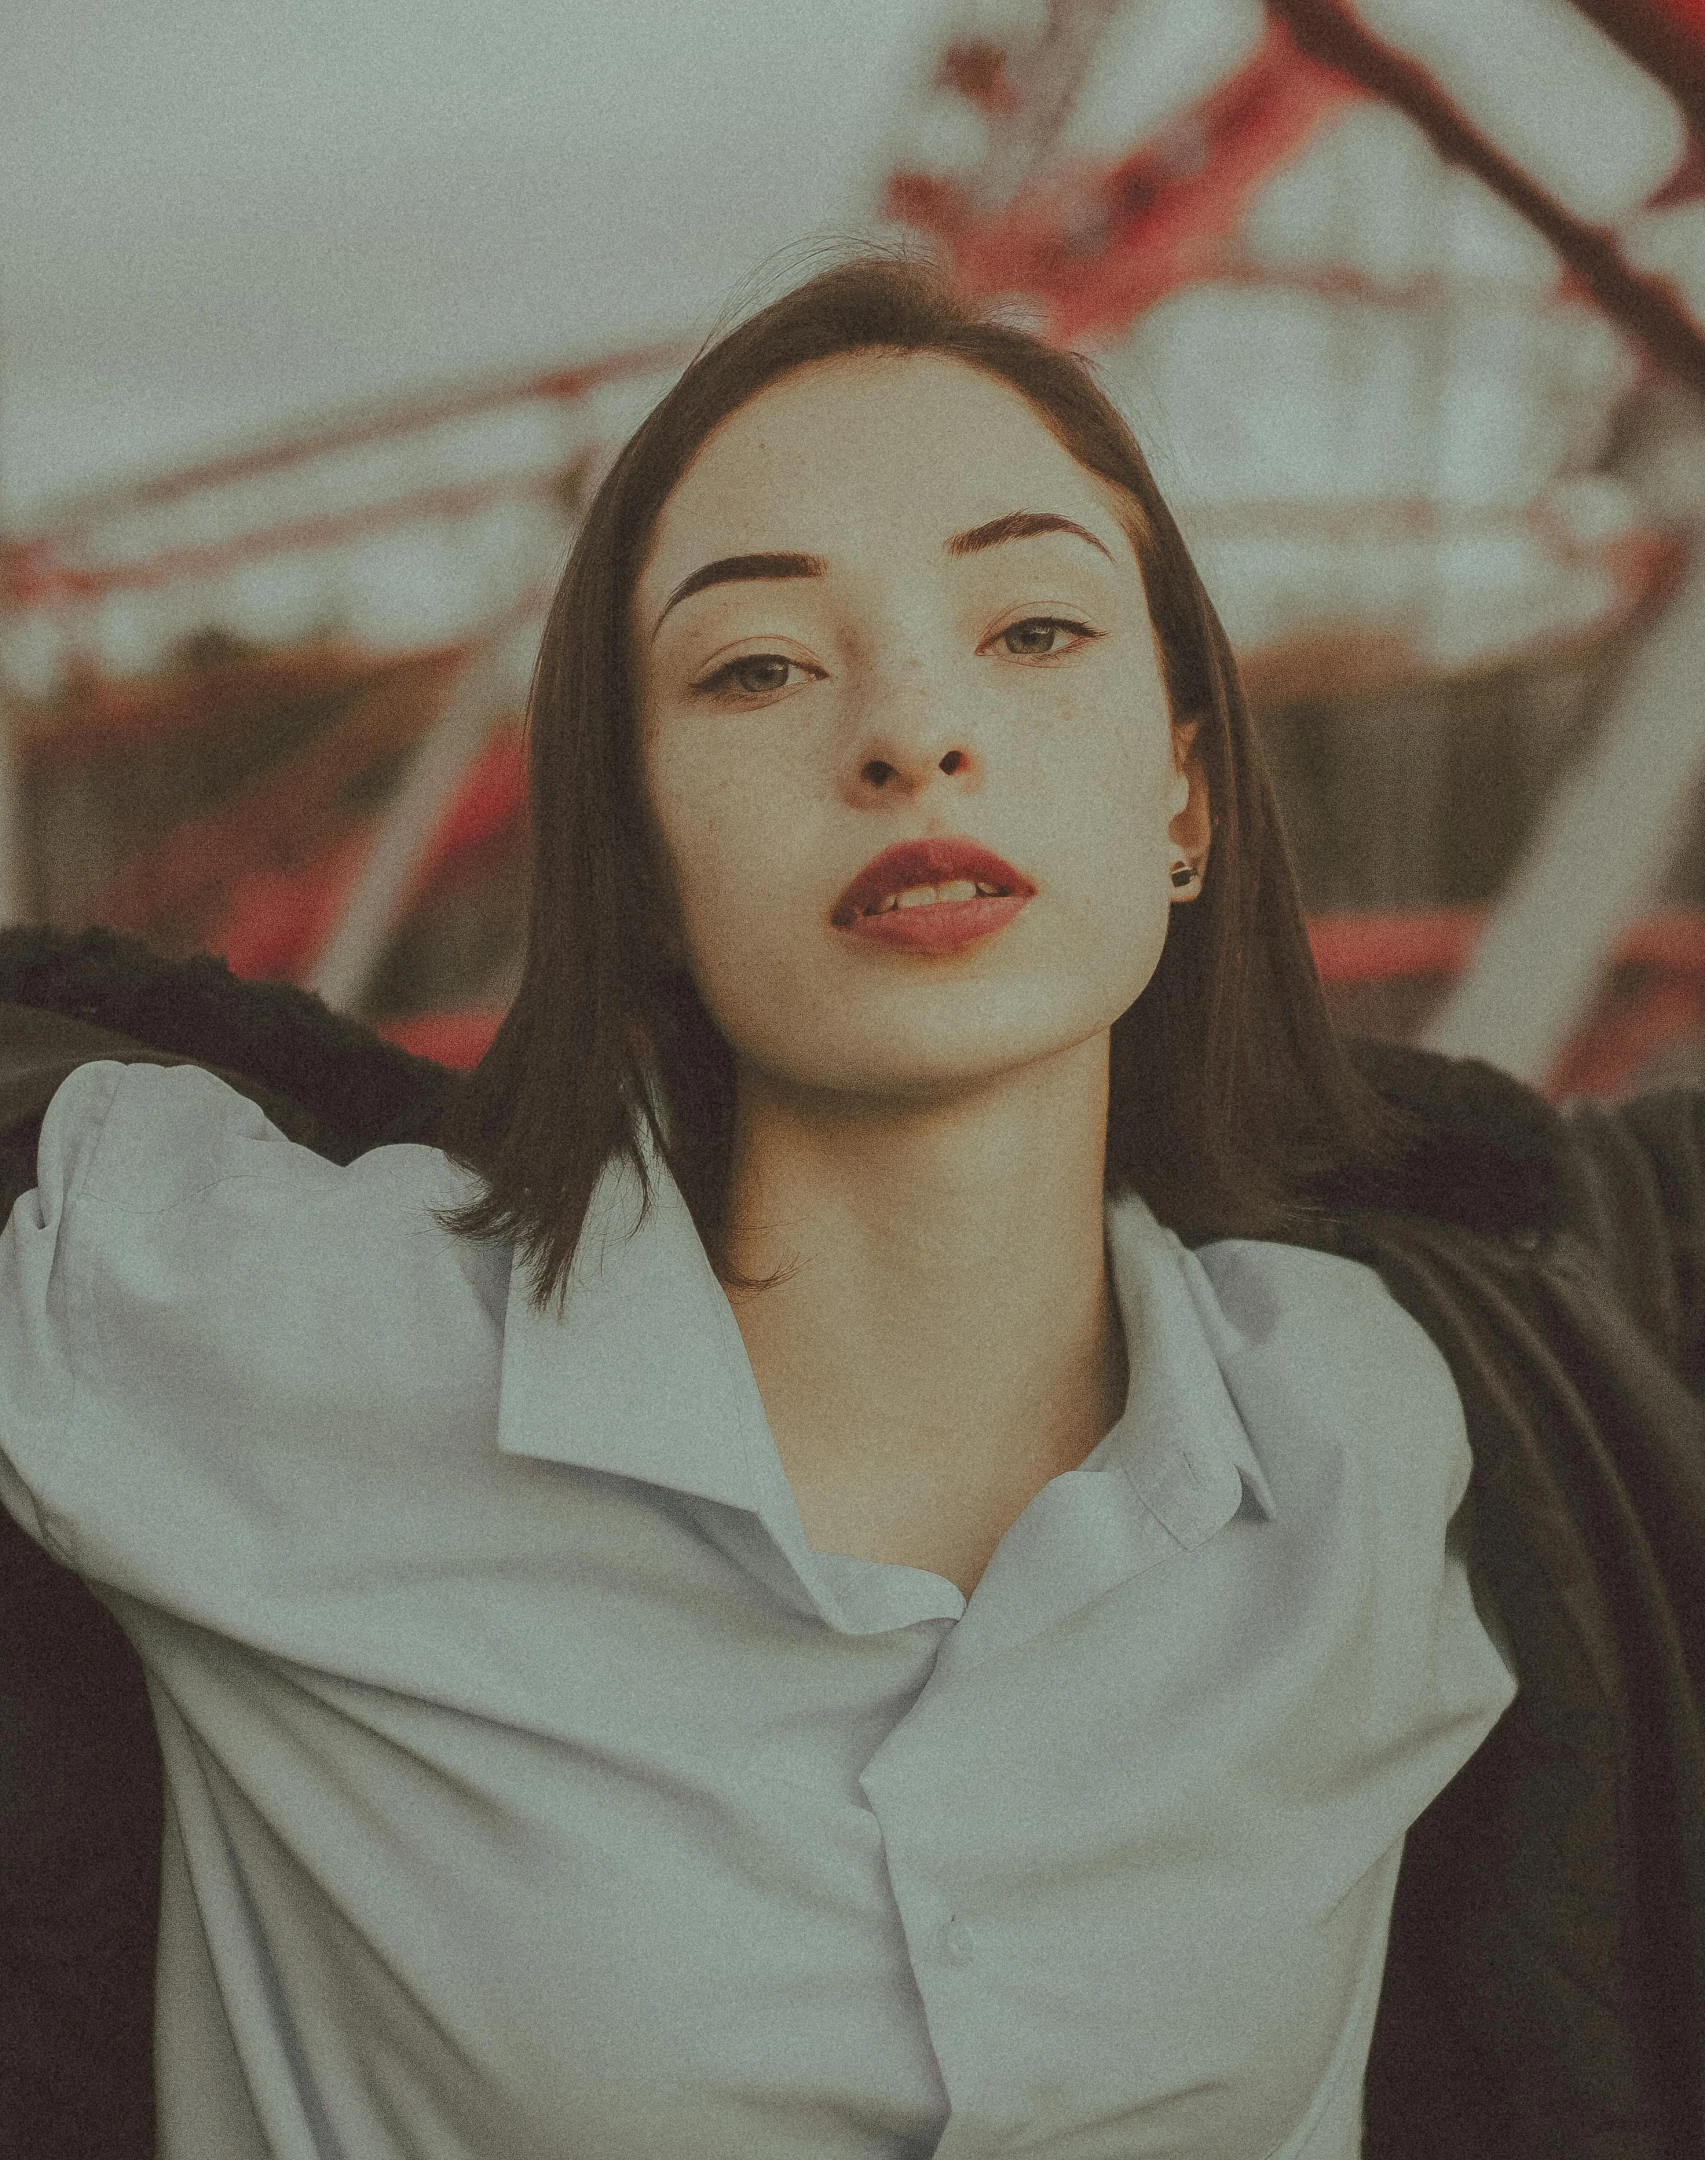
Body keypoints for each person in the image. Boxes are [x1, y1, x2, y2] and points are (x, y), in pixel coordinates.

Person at [0, 248, 1700, 2160]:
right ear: (632, 856)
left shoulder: (1390, 1429)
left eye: (1035, 632)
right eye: (757, 666)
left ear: (1185, 804)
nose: (911, 731)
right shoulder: (246, 1328)